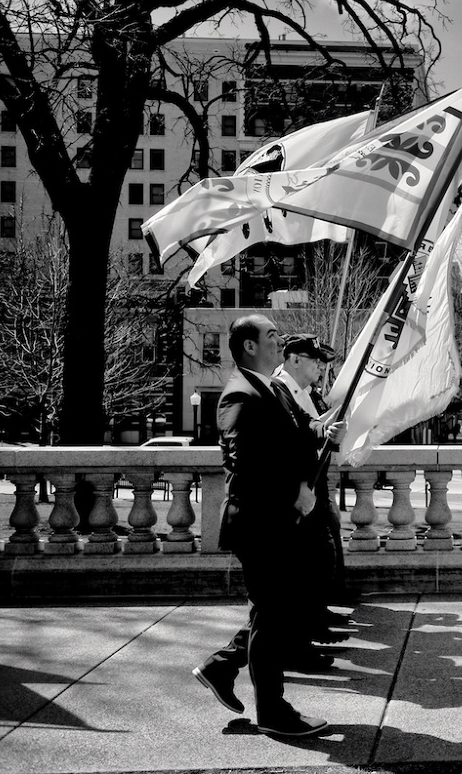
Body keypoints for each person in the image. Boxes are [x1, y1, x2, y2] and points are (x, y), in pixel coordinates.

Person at [191, 315, 345, 739]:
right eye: (272, 336)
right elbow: (247, 466)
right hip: (258, 522)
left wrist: (323, 430)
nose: (280, 341)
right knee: (275, 611)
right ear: (249, 346)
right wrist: (294, 493)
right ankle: (272, 710)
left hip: (275, 521)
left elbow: (297, 431)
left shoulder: (270, 388)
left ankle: (222, 667)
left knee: (277, 609)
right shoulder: (239, 396)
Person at [275, 333, 351, 624]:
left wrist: (329, 430)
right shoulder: (278, 389)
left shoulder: (306, 393)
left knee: (320, 553)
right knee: (309, 557)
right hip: (297, 487)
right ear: (294, 359)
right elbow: (289, 441)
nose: (321, 366)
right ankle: (307, 622)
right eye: (315, 360)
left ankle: (316, 614)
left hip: (314, 483)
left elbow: (313, 427)